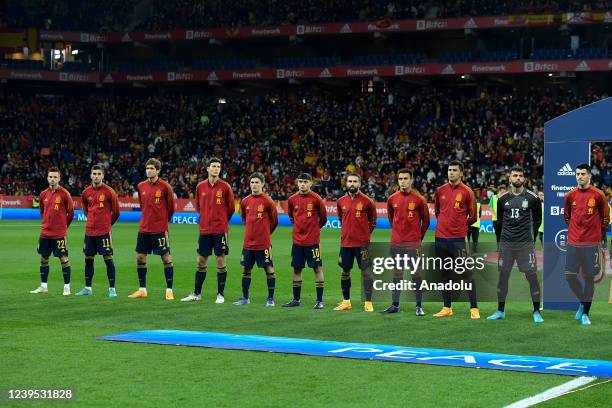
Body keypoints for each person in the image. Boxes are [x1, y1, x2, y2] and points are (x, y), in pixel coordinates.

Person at [487, 167, 543, 323]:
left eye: (520, 175)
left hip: (525, 245)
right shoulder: (502, 199)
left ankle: (537, 311)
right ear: (509, 178)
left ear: (524, 178)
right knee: (503, 277)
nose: (518, 178)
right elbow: (499, 221)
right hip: (507, 245)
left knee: (531, 277)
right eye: (515, 175)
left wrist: (531, 238)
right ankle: (500, 311)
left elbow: (538, 220)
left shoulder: (532, 198)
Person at [181, 158, 235, 303]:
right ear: (207, 168)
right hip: (204, 230)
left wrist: (221, 220)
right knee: (201, 261)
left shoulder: (225, 187)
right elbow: (198, 206)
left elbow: (231, 208)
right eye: (213, 166)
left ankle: (220, 294)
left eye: (218, 166)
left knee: (220, 260)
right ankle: (197, 294)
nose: (216, 169)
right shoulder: (200, 186)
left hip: (220, 230)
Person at [563, 163, 609, 325]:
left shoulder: (599, 195)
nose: (580, 176)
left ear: (589, 176)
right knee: (569, 276)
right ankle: (583, 301)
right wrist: (576, 232)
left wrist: (595, 234)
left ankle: (585, 314)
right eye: (577, 174)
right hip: (573, 244)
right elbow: (567, 217)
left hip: (591, 245)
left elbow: (605, 219)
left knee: (589, 279)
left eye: (583, 174)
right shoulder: (570, 195)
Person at [433, 161, 479, 319]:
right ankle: (447, 307)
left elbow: (473, 216)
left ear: (461, 173)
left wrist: (460, 227)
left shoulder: (467, 192)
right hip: (440, 238)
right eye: (449, 170)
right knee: (444, 274)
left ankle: (474, 308)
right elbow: (438, 211)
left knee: (466, 273)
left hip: (458, 239)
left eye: (454, 170)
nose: (451, 173)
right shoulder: (440, 191)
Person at [382, 168, 430, 315]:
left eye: (406, 178)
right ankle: (395, 305)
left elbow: (426, 222)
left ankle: (418, 306)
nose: (403, 181)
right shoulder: (392, 199)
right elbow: (392, 219)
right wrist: (398, 234)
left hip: (413, 244)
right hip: (396, 243)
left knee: (416, 274)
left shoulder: (419, 200)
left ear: (411, 180)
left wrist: (417, 238)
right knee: (397, 274)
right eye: (400, 179)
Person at [128, 158, 176, 300]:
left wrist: (161, 221)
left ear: (158, 170)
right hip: (144, 228)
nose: (149, 171)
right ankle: (142, 290)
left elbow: (171, 209)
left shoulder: (165, 187)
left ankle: (169, 290)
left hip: (160, 229)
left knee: (166, 257)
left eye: (152, 168)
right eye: (147, 168)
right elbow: (143, 206)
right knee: (140, 257)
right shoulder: (141, 186)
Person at [233, 172, 279, 306]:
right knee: (246, 269)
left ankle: (270, 299)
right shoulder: (245, 201)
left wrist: (265, 233)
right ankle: (245, 298)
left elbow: (274, 221)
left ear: (262, 184)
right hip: (248, 244)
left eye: (257, 182)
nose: (254, 185)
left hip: (263, 244)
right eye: (252, 182)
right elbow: (244, 219)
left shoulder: (268, 201)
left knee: (269, 269)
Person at [334, 173, 377, 312]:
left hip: (362, 244)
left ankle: (368, 302)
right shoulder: (340, 201)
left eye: (355, 181)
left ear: (359, 183)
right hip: (346, 244)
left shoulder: (367, 201)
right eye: (350, 181)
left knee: (366, 272)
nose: (352, 184)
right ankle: (346, 301)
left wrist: (364, 236)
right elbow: (341, 219)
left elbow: (373, 221)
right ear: (346, 183)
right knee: (345, 272)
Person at [284, 173, 327, 309]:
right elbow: (292, 216)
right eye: (300, 181)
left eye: (305, 182)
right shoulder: (292, 200)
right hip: (297, 242)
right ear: (297, 183)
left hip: (312, 242)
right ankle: (296, 299)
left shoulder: (316, 199)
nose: (302, 184)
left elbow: (323, 218)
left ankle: (320, 301)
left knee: (317, 269)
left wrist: (314, 230)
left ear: (310, 183)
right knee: (297, 269)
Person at [76, 165, 120, 298]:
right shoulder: (85, 192)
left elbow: (116, 212)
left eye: (98, 173)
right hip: (90, 232)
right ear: (91, 175)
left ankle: (112, 289)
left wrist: (107, 224)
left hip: (104, 232)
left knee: (108, 258)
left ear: (102, 176)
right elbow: (85, 209)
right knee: (88, 259)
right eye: (94, 173)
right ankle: (87, 288)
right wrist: (90, 221)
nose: (96, 176)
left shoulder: (109, 192)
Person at [30, 166, 74, 295]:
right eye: (50, 177)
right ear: (47, 178)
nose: (52, 179)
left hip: (59, 234)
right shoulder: (43, 194)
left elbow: (70, 213)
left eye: (55, 177)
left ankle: (67, 287)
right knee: (44, 258)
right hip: (45, 233)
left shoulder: (65, 194)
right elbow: (42, 211)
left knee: (63, 258)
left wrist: (63, 227)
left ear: (59, 178)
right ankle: (44, 286)